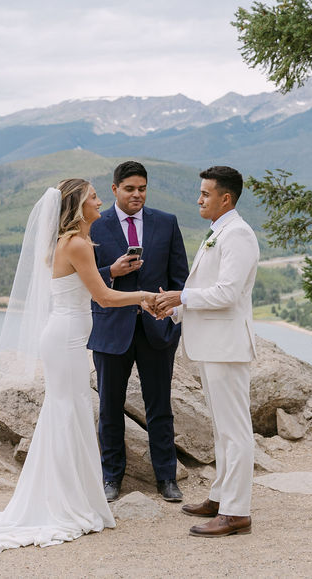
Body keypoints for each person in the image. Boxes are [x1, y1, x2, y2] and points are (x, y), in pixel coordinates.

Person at [0, 179, 156, 562]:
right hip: (67, 340)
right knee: (68, 411)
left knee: (69, 411)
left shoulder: (70, 243)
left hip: (68, 336)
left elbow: (80, 285)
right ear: (78, 205)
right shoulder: (76, 243)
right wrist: (144, 296)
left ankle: (68, 496)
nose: (100, 202)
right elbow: (104, 298)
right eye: (94, 196)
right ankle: (64, 503)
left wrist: (110, 269)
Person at [151, 165, 259, 538]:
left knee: (235, 432)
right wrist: (173, 308)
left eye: (205, 194)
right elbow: (208, 288)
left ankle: (236, 512)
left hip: (227, 347)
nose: (199, 199)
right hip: (213, 345)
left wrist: (181, 296)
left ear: (225, 198)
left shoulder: (239, 235)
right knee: (221, 430)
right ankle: (219, 496)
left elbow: (228, 294)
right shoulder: (219, 232)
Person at [88, 161, 188, 503]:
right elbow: (79, 277)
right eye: (130, 189)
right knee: (110, 407)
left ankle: (167, 479)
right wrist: (110, 270)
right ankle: (111, 478)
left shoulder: (166, 222)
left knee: (160, 406)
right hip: (110, 329)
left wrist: (171, 311)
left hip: (157, 332)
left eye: (142, 189)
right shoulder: (95, 225)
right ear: (115, 189)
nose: (137, 195)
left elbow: (180, 279)